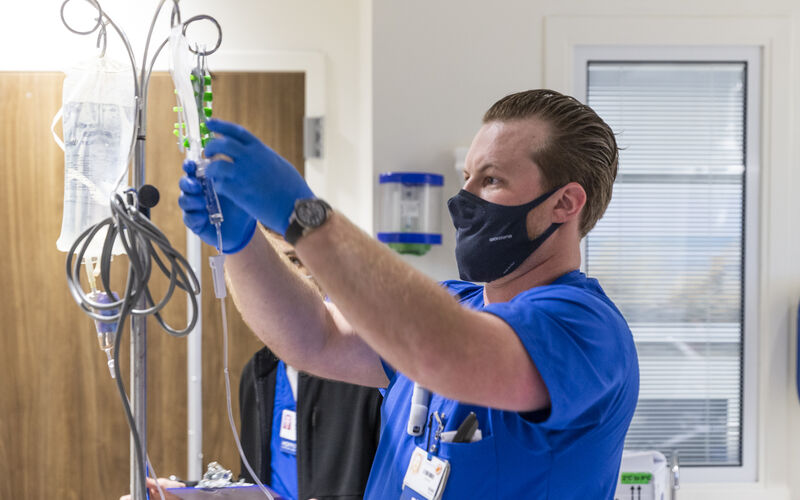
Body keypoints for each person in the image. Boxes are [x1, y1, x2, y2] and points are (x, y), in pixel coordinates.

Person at [178, 89, 639, 499]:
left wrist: (304, 216)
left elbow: (446, 351)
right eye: (467, 178)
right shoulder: (457, 303)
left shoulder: (586, 329)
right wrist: (242, 243)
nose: (464, 200)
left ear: (565, 203)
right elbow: (312, 337)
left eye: (492, 180)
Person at [119, 232, 382, 500]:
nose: (286, 276)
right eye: (275, 263)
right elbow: (257, 486)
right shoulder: (258, 373)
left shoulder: (366, 373)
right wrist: (188, 492)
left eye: (294, 260)